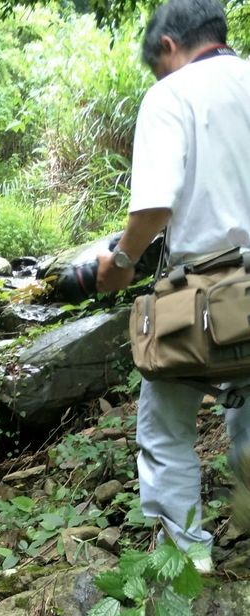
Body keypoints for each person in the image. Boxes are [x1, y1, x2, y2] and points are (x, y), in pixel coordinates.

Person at [96, 0, 250, 572]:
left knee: (164, 419)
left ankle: (187, 559)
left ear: (168, 47)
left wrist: (122, 259)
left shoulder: (173, 94)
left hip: (207, 297)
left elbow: (155, 205)